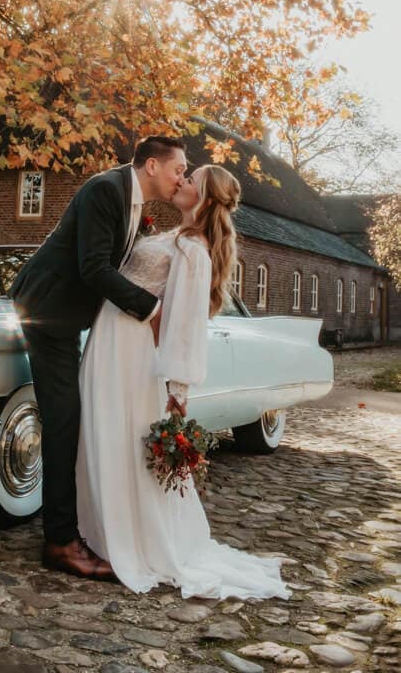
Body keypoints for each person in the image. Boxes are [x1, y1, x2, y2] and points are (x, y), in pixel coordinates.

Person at [76, 165, 291, 599]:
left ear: (205, 198)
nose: (182, 181)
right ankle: (99, 528)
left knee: (119, 436)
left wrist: (178, 388)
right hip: (110, 338)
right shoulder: (175, 235)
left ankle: (130, 538)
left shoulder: (194, 249)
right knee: (102, 432)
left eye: (191, 179)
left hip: (131, 350)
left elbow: (186, 323)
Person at [9, 135, 188, 580]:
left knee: (72, 418)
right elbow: (93, 267)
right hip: (47, 310)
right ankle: (60, 542)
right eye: (178, 169)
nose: (181, 178)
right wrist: (152, 310)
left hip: (68, 318)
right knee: (64, 421)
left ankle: (76, 528)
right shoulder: (105, 189)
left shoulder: (131, 202)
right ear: (152, 165)